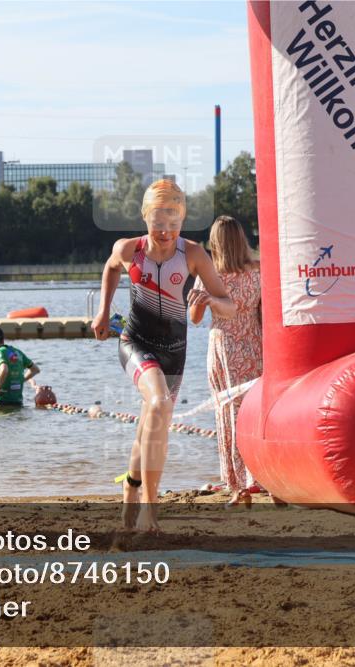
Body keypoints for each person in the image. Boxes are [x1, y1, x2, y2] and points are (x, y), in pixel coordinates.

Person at [92, 179, 236, 533]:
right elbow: (111, 267)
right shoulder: (130, 249)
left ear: (182, 220)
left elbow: (230, 306)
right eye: (158, 223)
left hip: (174, 352)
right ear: (145, 218)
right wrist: (103, 310)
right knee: (157, 403)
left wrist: (211, 301)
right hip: (136, 343)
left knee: (152, 422)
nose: (166, 232)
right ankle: (149, 509)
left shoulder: (193, 255)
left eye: (174, 223)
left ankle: (131, 487)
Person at [188, 216, 262, 508]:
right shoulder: (258, 270)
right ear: (241, 239)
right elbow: (264, 311)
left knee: (228, 413)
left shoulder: (210, 276)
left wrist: (202, 300)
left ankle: (238, 482)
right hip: (254, 343)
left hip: (224, 348)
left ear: (215, 243)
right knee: (255, 410)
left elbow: (194, 319)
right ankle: (261, 476)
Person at [0, 326, 40, 407]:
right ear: (3, 339)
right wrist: (21, 380)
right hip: (18, 401)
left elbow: (4, 369)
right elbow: (35, 369)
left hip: (2, 401)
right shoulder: (17, 352)